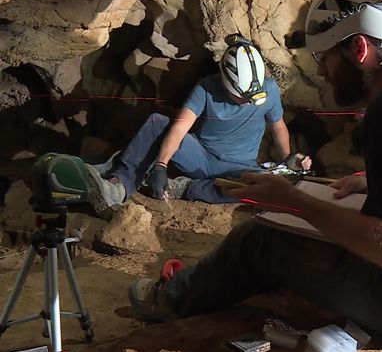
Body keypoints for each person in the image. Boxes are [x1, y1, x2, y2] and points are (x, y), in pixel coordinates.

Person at [128, 0, 382, 346]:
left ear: (359, 49)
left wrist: (294, 202)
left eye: (325, 57)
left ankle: (171, 299)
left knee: (262, 240)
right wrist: (370, 182)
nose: (320, 71)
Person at [86, 35, 311, 219]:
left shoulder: (269, 90)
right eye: (244, 98)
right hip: (201, 158)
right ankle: (120, 184)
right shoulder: (206, 88)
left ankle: (184, 188)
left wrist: (288, 159)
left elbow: (278, 127)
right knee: (159, 122)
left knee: (260, 186)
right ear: (227, 83)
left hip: (241, 168)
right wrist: (161, 166)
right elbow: (180, 128)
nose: (250, 102)